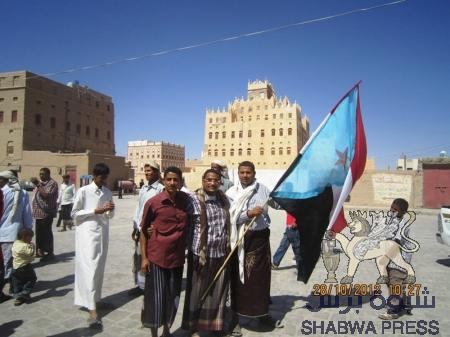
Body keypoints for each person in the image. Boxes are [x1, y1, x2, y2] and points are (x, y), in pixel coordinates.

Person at [226, 161, 280, 334]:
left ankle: (262, 313)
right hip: (241, 241)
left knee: (261, 280)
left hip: (260, 240)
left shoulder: (263, 189)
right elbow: (229, 218)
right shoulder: (231, 193)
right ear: (238, 174)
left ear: (254, 173)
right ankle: (235, 320)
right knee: (239, 280)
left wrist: (281, 195)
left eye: (248, 172)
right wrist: (248, 214)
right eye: (242, 172)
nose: (245, 175)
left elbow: (277, 205)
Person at [140, 166, 192, 337]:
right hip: (157, 257)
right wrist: (144, 259)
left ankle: (167, 331)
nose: (172, 182)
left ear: (180, 181)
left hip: (176, 258)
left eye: (175, 179)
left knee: (172, 295)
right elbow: (143, 230)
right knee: (155, 298)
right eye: (169, 179)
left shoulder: (186, 200)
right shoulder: (153, 203)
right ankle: (154, 334)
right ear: (163, 180)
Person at [182, 169, 231, 337]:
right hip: (200, 254)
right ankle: (194, 326)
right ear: (203, 180)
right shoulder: (193, 200)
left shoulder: (224, 200)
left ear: (220, 182)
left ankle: (214, 325)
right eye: (209, 179)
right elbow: (180, 220)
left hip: (220, 253)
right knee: (197, 292)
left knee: (218, 292)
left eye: (216, 180)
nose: (212, 183)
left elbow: (234, 218)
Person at [72, 163, 115, 328]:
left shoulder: (107, 192)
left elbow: (110, 215)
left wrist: (110, 210)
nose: (103, 180)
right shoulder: (83, 191)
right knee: (89, 269)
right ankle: (91, 309)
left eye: (105, 178)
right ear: (94, 175)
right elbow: (74, 214)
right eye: (101, 177)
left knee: (98, 268)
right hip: (87, 236)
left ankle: (95, 300)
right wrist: (94, 211)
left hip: (102, 234)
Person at [129, 161, 163, 296]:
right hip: (140, 228)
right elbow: (139, 208)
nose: (147, 173)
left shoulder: (160, 189)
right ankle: (141, 285)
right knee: (138, 257)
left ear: (156, 172)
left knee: (150, 257)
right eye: (146, 170)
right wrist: (135, 226)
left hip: (151, 230)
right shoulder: (143, 189)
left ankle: (150, 285)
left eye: (150, 171)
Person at [379, 198, 414, 320]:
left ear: (403, 212)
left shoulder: (403, 224)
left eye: (396, 210)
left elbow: (397, 243)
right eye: (391, 208)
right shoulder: (392, 220)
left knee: (395, 284)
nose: (392, 211)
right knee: (394, 283)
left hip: (399, 260)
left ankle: (393, 311)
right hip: (392, 259)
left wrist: (385, 257)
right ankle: (404, 305)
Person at [0, 170, 33, 285]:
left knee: (6, 263)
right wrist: (28, 231)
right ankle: (13, 286)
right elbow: (27, 214)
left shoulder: (4, 192)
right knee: (14, 263)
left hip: (6, 234)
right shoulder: (22, 193)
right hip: (15, 233)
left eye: (2, 179)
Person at [31, 167, 58, 260]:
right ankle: (40, 251)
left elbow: (46, 195)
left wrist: (38, 185)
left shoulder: (52, 183)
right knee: (39, 234)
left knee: (46, 234)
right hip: (38, 213)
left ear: (48, 174)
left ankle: (49, 253)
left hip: (47, 213)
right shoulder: (41, 183)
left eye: (43, 174)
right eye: (40, 174)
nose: (41, 175)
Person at [10, 228, 36, 306]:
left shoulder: (16, 243)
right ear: (24, 237)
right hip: (24, 266)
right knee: (32, 279)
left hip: (15, 267)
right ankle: (24, 293)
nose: (31, 239)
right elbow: (30, 253)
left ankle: (18, 297)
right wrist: (32, 246)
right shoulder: (25, 246)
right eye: (30, 237)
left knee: (18, 282)